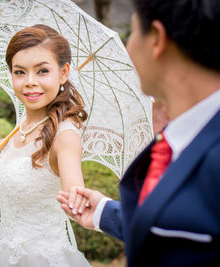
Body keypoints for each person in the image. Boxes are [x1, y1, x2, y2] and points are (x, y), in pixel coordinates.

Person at [57, 0, 220, 266]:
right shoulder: (177, 138)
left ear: (156, 38)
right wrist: (103, 211)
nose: (129, 48)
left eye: (132, 33)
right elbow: (178, 228)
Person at [0, 24, 91, 266]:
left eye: (42, 71)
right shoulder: (21, 126)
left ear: (64, 72)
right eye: (20, 72)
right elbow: (22, 187)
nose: (30, 82)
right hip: (2, 253)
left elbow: (76, 203)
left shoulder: (64, 135)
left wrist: (78, 201)